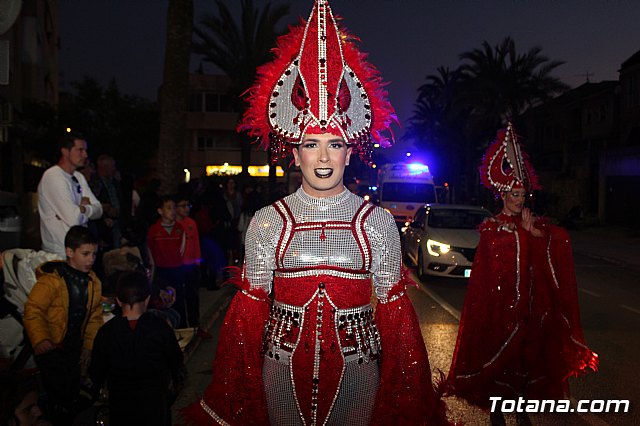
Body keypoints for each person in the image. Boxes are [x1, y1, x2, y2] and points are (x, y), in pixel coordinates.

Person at [184, 1, 449, 424]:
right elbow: (246, 322)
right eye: (312, 144)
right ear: (295, 153)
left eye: (335, 144)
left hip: (359, 375)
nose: (323, 156)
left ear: (350, 152)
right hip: (279, 371)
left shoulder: (376, 223)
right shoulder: (268, 221)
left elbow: (397, 324)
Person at [445, 124, 599, 426]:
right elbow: (489, 274)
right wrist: (518, 237)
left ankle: (522, 414)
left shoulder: (531, 223)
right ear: (503, 194)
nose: (520, 199)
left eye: (523, 194)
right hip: (500, 314)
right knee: (499, 370)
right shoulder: (491, 229)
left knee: (524, 367)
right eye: (515, 194)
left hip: (527, 314)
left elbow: (554, 248)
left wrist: (535, 236)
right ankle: (497, 415)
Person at [23, 226, 103, 426]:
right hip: (51, 348)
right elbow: (33, 310)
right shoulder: (52, 280)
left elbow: (94, 316)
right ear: (69, 252)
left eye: (93, 254)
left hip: (73, 346)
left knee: (73, 390)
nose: (90, 259)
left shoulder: (93, 282)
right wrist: (41, 338)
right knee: (59, 393)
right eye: (85, 254)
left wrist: (88, 346)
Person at [89, 270, 185, 426]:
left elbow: (96, 369)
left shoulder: (106, 332)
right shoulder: (159, 327)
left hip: (121, 406)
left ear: (118, 301)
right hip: (155, 405)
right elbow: (175, 360)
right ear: (147, 299)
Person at [37, 133, 103, 258]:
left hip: (78, 253)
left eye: (85, 150)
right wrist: (83, 210)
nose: (85, 155)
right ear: (65, 152)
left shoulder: (79, 177)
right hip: (58, 254)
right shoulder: (53, 176)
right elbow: (73, 219)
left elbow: (99, 210)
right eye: (80, 150)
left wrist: (83, 209)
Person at [146, 195, 187, 328]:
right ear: (160, 211)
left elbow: (182, 248)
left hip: (177, 269)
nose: (173, 211)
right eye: (168, 208)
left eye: (174, 207)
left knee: (179, 300)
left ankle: (182, 328)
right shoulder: (154, 230)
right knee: (162, 302)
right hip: (161, 271)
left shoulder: (180, 228)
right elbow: (150, 251)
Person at [175, 195, 203, 330]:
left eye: (188, 205)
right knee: (180, 296)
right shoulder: (174, 225)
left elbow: (196, 242)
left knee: (193, 296)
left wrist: (197, 260)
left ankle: (195, 324)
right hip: (178, 266)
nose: (186, 209)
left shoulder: (191, 223)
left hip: (191, 265)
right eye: (183, 206)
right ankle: (181, 325)